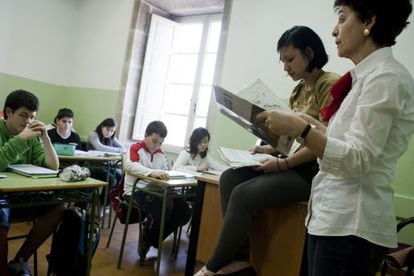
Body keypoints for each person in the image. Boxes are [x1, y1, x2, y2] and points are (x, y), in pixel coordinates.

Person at [255, 0, 414, 275]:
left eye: (342, 17)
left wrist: (299, 130)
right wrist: (306, 122)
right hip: (331, 217)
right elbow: (342, 140)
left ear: (369, 22)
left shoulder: (386, 78)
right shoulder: (363, 77)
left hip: (352, 223)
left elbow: (358, 159)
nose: (334, 30)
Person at [195, 26, 340, 276]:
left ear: (310, 52)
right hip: (291, 162)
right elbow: (289, 139)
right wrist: (266, 148)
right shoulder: (297, 91)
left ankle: (213, 266)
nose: (285, 67)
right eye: (283, 61)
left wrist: (282, 164)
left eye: (290, 59)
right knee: (230, 177)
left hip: (312, 170)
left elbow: (324, 140)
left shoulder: (330, 85)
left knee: (242, 194)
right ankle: (240, 258)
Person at [0, 90, 65, 276]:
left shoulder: (33, 136)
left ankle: (20, 260)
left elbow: (53, 167)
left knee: (58, 207)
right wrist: (20, 140)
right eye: (23, 115)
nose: (28, 121)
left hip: (22, 196)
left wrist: (45, 137)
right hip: (2, 197)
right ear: (9, 112)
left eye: (32, 117)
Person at [125, 120, 191, 259]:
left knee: (184, 210)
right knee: (162, 209)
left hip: (157, 191)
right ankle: (150, 237)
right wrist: (151, 172)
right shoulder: (136, 148)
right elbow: (130, 166)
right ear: (145, 135)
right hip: (136, 191)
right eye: (154, 141)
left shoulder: (160, 154)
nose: (157, 146)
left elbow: (166, 171)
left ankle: (151, 237)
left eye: (160, 143)